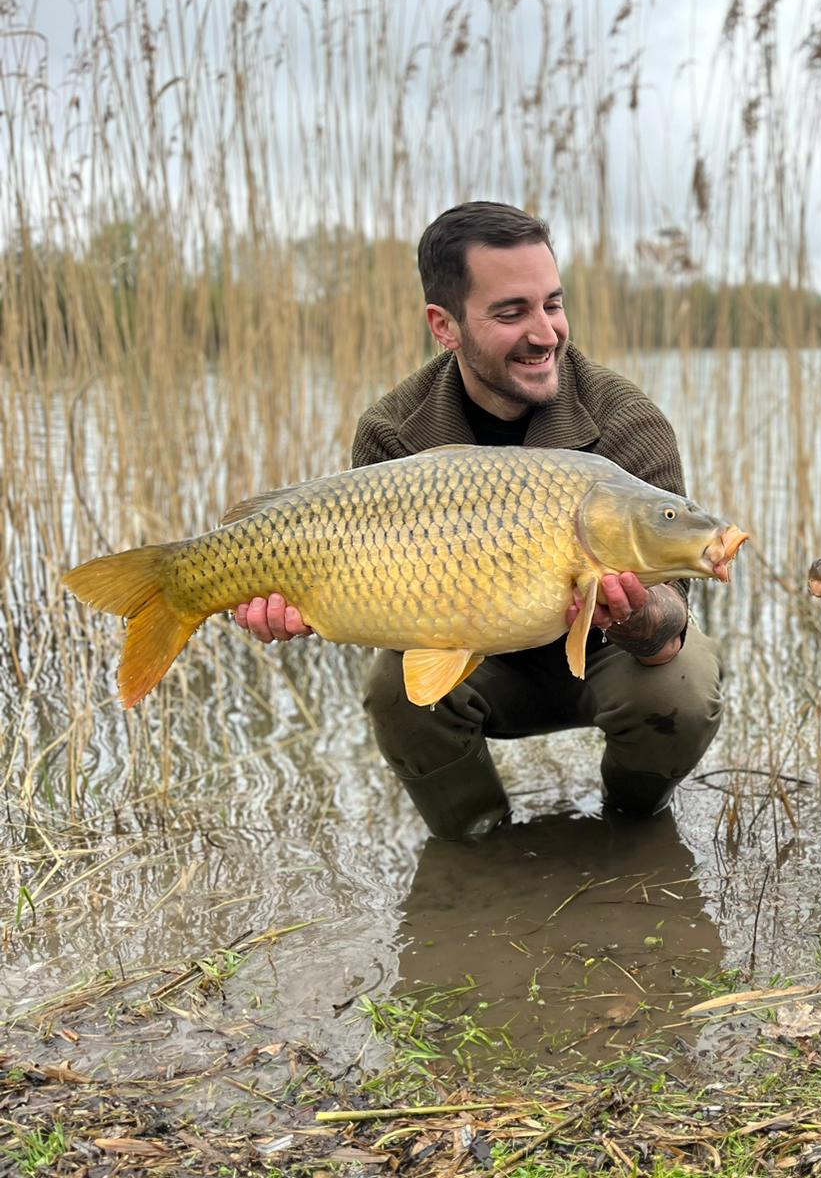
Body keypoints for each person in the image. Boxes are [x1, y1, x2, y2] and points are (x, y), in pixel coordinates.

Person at [233, 201, 724, 838]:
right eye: (511, 312)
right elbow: (388, 613)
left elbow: (672, 616)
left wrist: (638, 615)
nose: (546, 332)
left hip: (607, 659)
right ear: (446, 325)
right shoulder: (393, 430)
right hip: (477, 658)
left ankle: (631, 829)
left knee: (679, 685)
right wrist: (302, 605)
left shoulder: (626, 418)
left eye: (552, 303)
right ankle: (476, 847)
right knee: (395, 688)